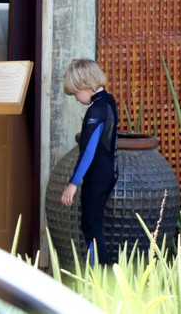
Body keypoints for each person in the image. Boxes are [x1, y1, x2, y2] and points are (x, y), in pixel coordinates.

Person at [61, 58, 119, 265]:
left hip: (97, 175)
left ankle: (98, 279)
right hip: (109, 171)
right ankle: (101, 276)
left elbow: (88, 152)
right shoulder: (109, 101)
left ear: (86, 85)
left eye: (76, 92)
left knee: (91, 227)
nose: (76, 98)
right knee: (95, 225)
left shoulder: (96, 110)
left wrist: (73, 184)